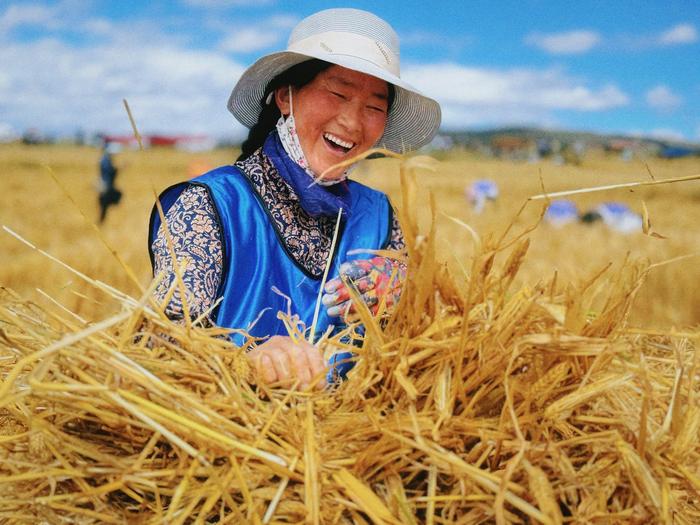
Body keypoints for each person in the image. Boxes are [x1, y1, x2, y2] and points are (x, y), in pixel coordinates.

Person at [148, 9, 441, 389]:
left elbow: (405, 351)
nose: (352, 123)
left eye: (374, 106)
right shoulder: (208, 206)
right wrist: (243, 363)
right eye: (338, 93)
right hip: (231, 434)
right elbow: (159, 347)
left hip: (349, 442)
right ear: (285, 96)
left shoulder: (379, 217)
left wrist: (401, 303)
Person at [98, 142, 122, 223]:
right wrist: (118, 169)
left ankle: (102, 221)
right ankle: (101, 221)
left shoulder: (106, 159)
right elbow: (109, 172)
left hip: (105, 184)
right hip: (105, 184)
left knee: (105, 205)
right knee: (105, 204)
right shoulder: (105, 160)